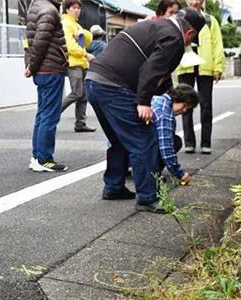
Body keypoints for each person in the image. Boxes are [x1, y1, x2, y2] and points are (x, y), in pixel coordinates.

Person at [86, 9, 205, 213]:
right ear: (190, 33)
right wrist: (143, 102)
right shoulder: (175, 38)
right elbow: (151, 69)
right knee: (145, 139)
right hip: (114, 86)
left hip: (94, 81)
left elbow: (158, 73)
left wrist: (164, 90)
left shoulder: (157, 26)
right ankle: (147, 198)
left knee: (119, 140)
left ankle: (114, 187)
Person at [24, 0, 69, 172]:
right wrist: (32, 65)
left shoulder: (35, 7)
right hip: (50, 69)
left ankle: (37, 156)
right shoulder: (49, 10)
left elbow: (30, 42)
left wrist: (29, 65)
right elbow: (40, 42)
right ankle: (44, 159)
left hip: (42, 70)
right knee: (49, 116)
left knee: (42, 114)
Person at [177, 0, 224, 155]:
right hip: (185, 66)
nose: (194, 2)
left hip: (205, 66)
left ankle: (206, 142)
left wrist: (218, 67)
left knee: (206, 105)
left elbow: (217, 44)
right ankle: (189, 142)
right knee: (185, 105)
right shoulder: (178, 18)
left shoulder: (210, 21)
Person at [152, 84, 200, 183]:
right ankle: (151, 174)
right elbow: (166, 148)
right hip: (137, 149)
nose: (185, 110)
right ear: (177, 98)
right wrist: (179, 173)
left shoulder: (159, 98)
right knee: (175, 141)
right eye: (185, 105)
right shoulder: (165, 113)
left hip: (125, 144)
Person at [61, 0, 96, 133]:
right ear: (67, 9)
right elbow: (70, 46)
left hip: (81, 63)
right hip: (73, 63)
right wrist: (86, 54)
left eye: (78, 8)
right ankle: (53, 114)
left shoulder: (75, 25)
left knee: (83, 95)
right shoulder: (66, 24)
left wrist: (82, 32)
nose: (77, 10)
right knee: (77, 93)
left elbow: (88, 41)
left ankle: (80, 123)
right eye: (74, 8)